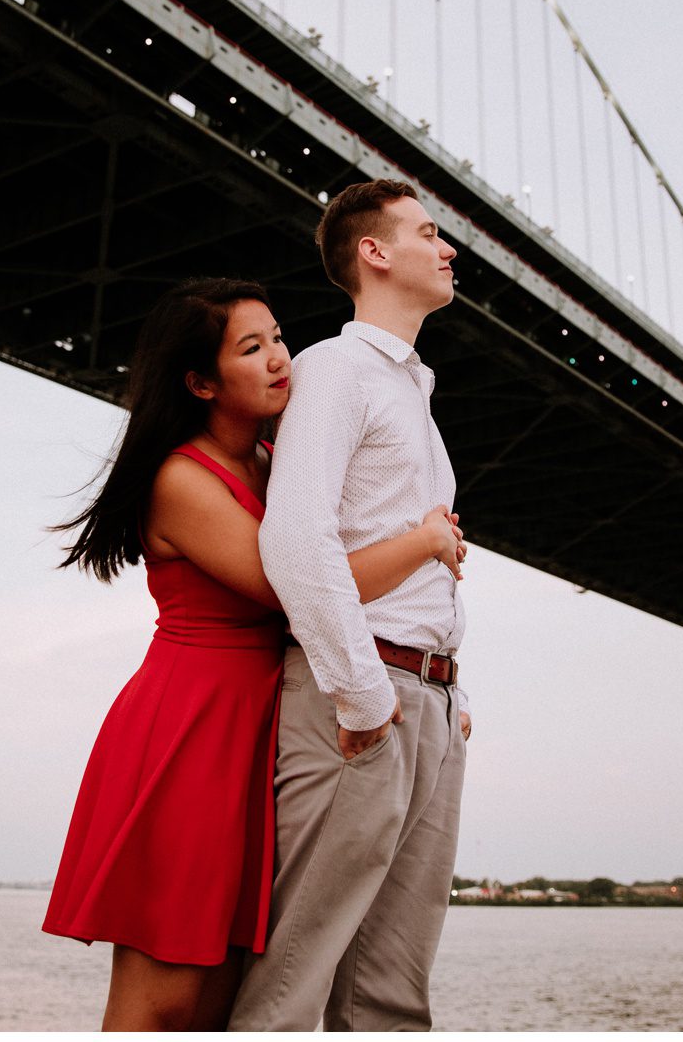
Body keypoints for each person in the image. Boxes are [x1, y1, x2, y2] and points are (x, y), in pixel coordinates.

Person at [42, 277, 466, 1032]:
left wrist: (438, 686)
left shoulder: (276, 464)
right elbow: (298, 590)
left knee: (226, 988)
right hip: (192, 730)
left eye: (277, 338)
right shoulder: (181, 478)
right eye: (251, 348)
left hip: (261, 724)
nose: (281, 359)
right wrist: (426, 542)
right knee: (168, 993)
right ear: (201, 383)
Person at [229, 180, 470, 1032]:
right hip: (360, 701)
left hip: (425, 703)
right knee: (297, 976)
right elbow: (296, 542)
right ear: (374, 252)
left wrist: (450, 694)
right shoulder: (336, 368)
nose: (448, 251)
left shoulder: (413, 391)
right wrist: (366, 694)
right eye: (429, 233)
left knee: (392, 992)